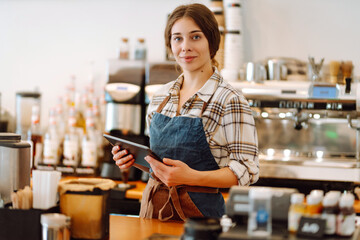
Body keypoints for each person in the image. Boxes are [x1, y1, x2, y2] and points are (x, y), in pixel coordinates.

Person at [112, 3, 259, 221]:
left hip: (200, 220)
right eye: (178, 38)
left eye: (195, 37)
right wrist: (133, 159)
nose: (185, 47)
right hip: (152, 211)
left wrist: (191, 177)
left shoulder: (230, 100)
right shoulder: (160, 98)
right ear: (169, 45)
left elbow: (247, 170)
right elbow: (159, 163)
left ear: (212, 41)